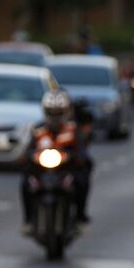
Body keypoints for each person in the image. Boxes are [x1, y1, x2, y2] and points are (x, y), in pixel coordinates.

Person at [21, 90, 90, 233]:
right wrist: (29, 156)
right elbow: (28, 150)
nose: (55, 116)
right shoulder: (38, 130)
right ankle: (28, 220)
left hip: (66, 170)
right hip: (43, 171)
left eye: (58, 112)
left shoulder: (72, 129)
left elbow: (82, 150)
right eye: (51, 112)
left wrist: (76, 157)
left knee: (82, 182)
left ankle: (79, 217)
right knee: (26, 183)